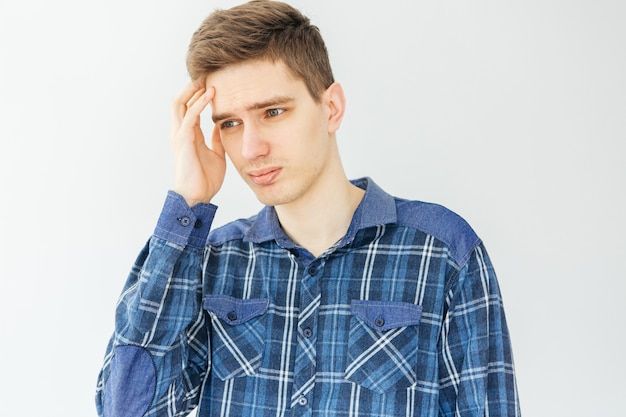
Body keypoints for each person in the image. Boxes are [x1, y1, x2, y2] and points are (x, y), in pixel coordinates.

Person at [95, 1, 521, 416]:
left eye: (273, 112)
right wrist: (188, 204)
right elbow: (126, 408)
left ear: (331, 107)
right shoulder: (211, 262)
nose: (250, 148)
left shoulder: (443, 252)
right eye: (229, 123)